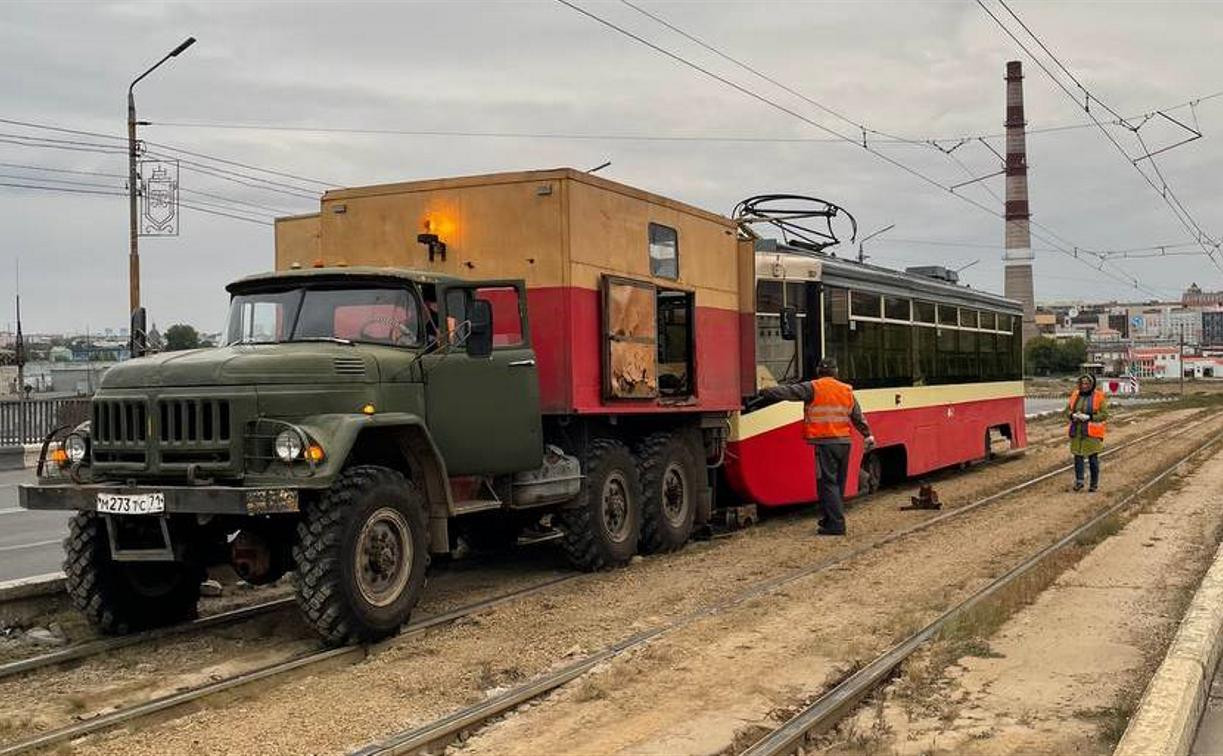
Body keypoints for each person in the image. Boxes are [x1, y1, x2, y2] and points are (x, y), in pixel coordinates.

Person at [757, 358, 875, 536]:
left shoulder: (813, 387)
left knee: (827, 483)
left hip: (825, 443)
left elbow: (787, 392)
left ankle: (835, 524)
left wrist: (763, 392)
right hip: (844, 442)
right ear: (836, 372)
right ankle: (829, 518)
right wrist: (867, 435)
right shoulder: (846, 390)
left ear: (819, 372)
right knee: (838, 484)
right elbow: (857, 416)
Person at [1066, 373, 1108, 492]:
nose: (1084, 386)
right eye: (1082, 383)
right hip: (1077, 432)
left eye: (1087, 383)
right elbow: (1067, 410)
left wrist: (1089, 417)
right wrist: (1072, 415)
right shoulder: (1075, 395)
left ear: (1092, 384)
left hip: (1092, 433)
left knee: (1092, 459)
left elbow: (1104, 414)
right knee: (1077, 457)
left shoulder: (1099, 396)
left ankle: (1093, 484)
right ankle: (1079, 481)